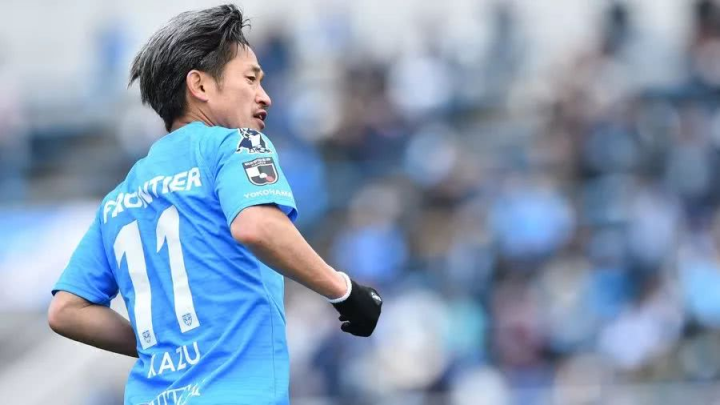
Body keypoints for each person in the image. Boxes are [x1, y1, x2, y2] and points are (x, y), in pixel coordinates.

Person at [46, 5, 382, 405]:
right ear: (200, 86)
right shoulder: (236, 144)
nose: (265, 96)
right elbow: (255, 226)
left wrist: (165, 347)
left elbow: (67, 310)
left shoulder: (119, 198)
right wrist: (344, 291)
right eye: (251, 79)